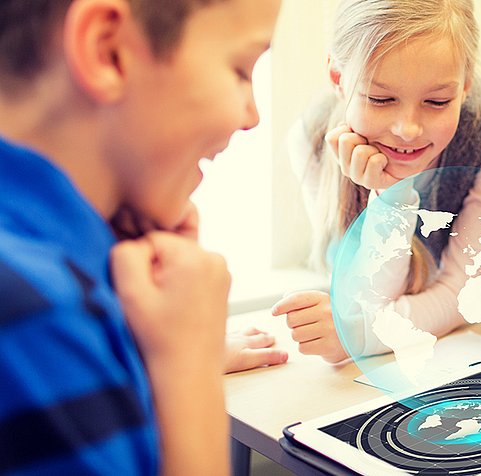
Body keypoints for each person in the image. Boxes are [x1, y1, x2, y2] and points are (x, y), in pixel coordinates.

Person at [0, 0, 281, 473]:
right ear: (108, 51)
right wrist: (189, 364)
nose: (251, 115)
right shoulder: (36, 312)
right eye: (239, 69)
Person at [272, 0, 481, 363]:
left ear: (465, 83)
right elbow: (364, 299)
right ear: (338, 78)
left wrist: (363, 334)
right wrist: (391, 197)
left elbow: (462, 294)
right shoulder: (310, 139)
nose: (407, 129)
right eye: (380, 99)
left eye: (437, 101)